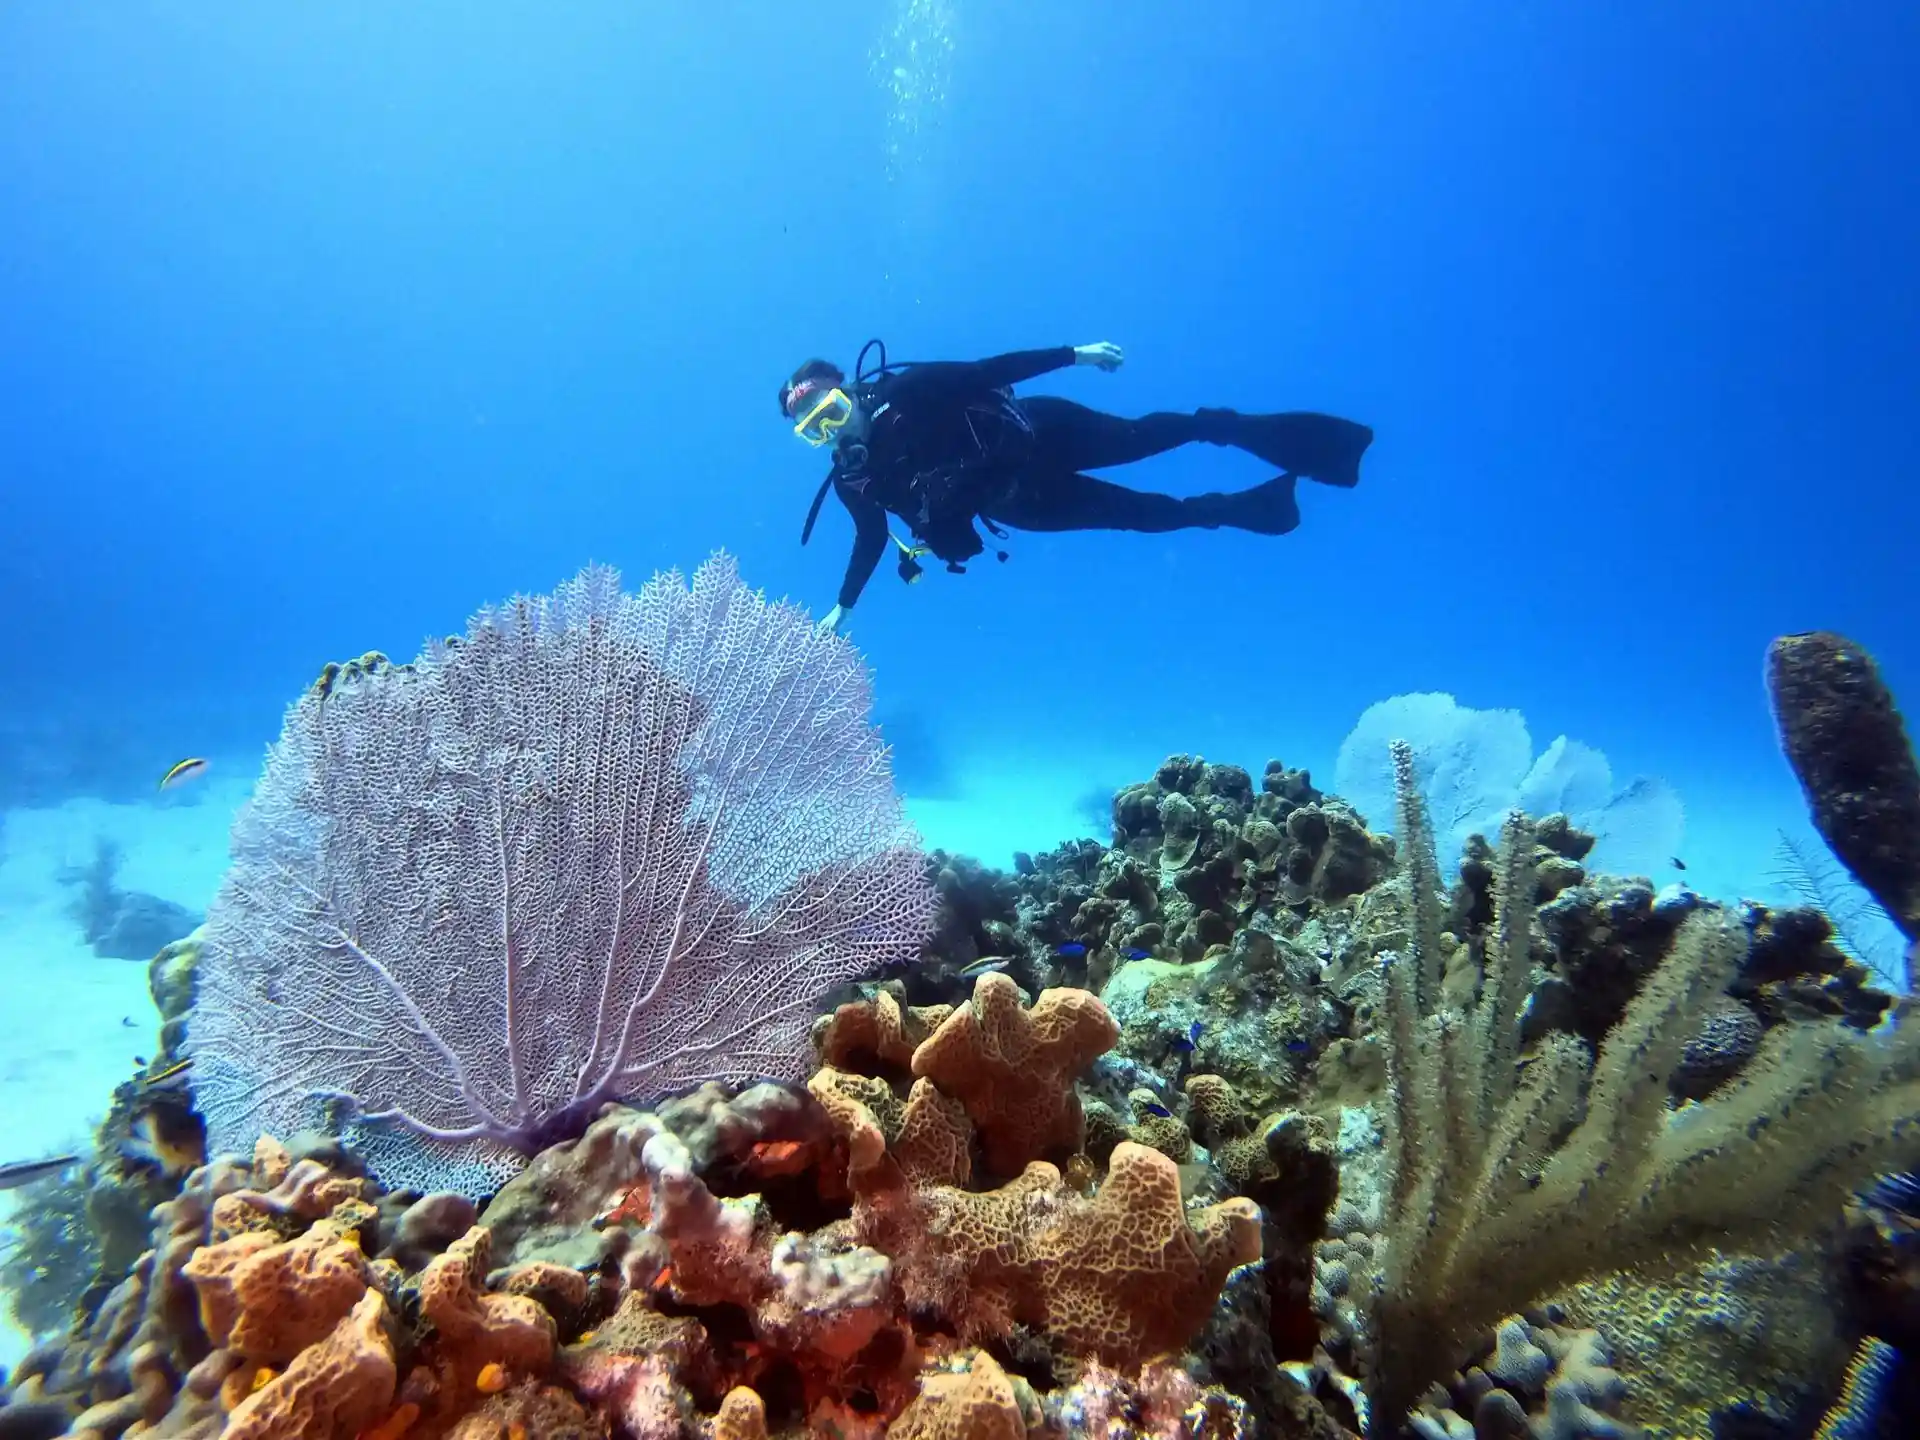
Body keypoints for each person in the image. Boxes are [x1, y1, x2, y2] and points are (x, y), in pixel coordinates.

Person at [781, 339, 1375, 633]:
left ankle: (1238, 429)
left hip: (1044, 432)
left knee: (1148, 437)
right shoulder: (854, 480)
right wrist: (843, 606)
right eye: (814, 431)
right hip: (1023, 502)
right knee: (1149, 516)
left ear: (849, 390)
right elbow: (871, 542)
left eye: (831, 410)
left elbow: (990, 372)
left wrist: (1075, 354)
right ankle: (1257, 506)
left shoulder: (909, 391)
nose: (833, 431)